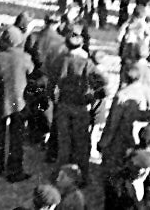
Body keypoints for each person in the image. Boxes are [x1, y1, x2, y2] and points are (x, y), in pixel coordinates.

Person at [47, 27, 106, 183]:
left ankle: (59, 175)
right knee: (81, 144)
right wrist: (91, 98)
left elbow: (50, 84)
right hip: (80, 107)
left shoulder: (59, 60)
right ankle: (83, 176)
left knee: (64, 143)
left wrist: (54, 99)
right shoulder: (86, 63)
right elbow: (102, 84)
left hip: (63, 105)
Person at [0, 26, 33, 182]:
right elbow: (31, 71)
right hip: (19, 101)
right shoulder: (24, 57)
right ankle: (14, 170)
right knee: (17, 137)